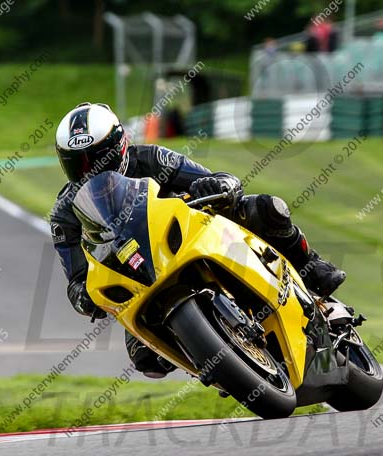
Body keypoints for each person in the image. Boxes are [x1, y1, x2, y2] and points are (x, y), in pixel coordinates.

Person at [50, 103, 346, 378]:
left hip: (192, 234)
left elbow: (218, 179)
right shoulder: (64, 214)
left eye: (99, 158)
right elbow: (76, 278)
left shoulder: (151, 158)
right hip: (140, 276)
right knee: (145, 358)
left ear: (120, 147)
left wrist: (219, 185)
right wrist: (83, 298)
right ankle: (215, 358)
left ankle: (311, 266)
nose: (91, 170)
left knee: (268, 209)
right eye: (79, 164)